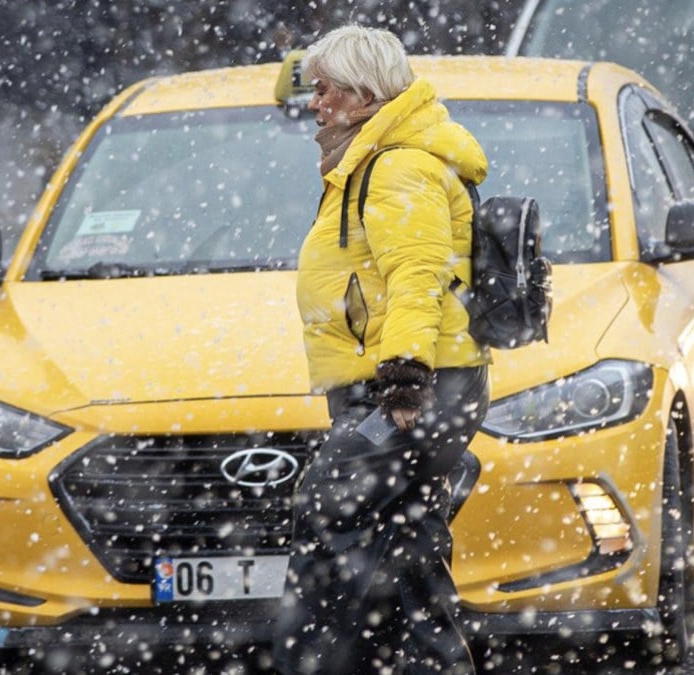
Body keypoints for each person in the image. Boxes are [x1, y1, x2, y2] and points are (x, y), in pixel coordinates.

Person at [272, 25, 490, 675]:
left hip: (410, 385)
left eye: (326, 90)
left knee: (329, 511)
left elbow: (418, 275)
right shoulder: (370, 158)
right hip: (409, 382)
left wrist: (404, 380)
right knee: (406, 550)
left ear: (365, 94)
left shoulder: (398, 165)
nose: (315, 103)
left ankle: (314, 663)